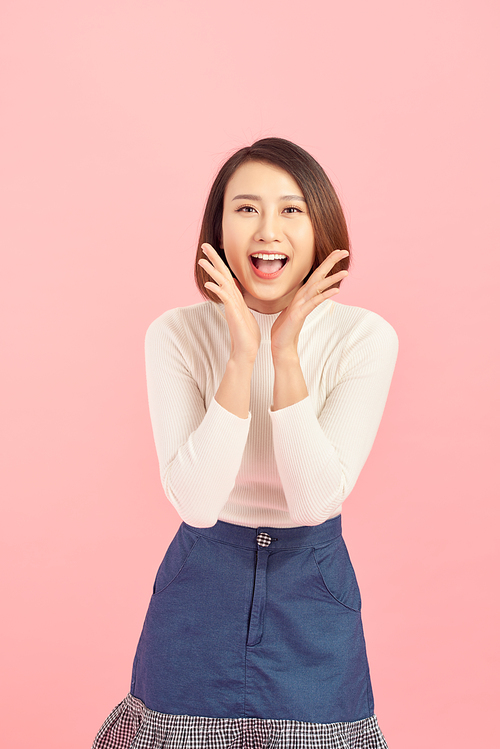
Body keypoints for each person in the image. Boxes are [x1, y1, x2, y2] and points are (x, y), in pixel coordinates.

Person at [92, 137, 399, 749]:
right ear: (218, 230)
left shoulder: (364, 338)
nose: (268, 230)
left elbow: (314, 502)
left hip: (312, 582)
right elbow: (198, 506)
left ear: (321, 229)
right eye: (246, 208)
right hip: (201, 582)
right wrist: (242, 352)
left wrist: (283, 350)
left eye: (291, 210)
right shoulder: (176, 335)